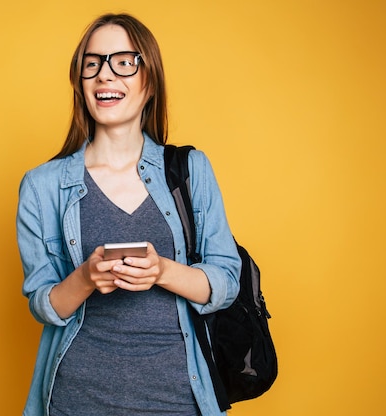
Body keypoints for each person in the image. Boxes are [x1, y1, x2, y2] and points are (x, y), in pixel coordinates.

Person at [16, 13, 241, 416]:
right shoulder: (41, 186)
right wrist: (85, 277)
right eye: (92, 64)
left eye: (123, 62)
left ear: (149, 80)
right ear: (80, 83)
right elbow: (43, 304)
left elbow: (226, 282)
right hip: (77, 400)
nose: (105, 75)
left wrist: (161, 271)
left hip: (178, 401)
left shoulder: (190, 170)